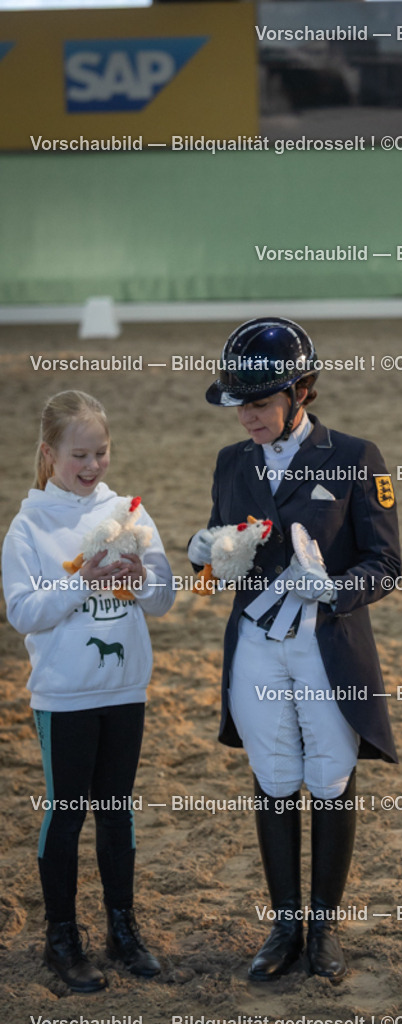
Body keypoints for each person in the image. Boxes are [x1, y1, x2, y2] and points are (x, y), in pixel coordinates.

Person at [189, 317, 400, 982]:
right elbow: (224, 555)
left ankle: (324, 928)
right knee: (275, 776)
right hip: (255, 643)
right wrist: (205, 559)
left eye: (258, 404)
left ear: (300, 391)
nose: (246, 419)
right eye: (239, 406)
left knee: (331, 777)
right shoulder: (231, 462)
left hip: (325, 645)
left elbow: (385, 563)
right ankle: (283, 926)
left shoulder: (356, 456)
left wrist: (335, 590)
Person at [2, 390, 174, 993]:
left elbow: (164, 597)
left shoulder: (129, 511)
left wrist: (141, 576)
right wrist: (85, 580)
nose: (93, 464)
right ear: (49, 455)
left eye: (101, 451)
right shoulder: (28, 526)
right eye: (80, 454)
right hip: (65, 696)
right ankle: (61, 937)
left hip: (126, 688)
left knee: (117, 809)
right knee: (67, 811)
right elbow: (22, 612)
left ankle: (121, 931)